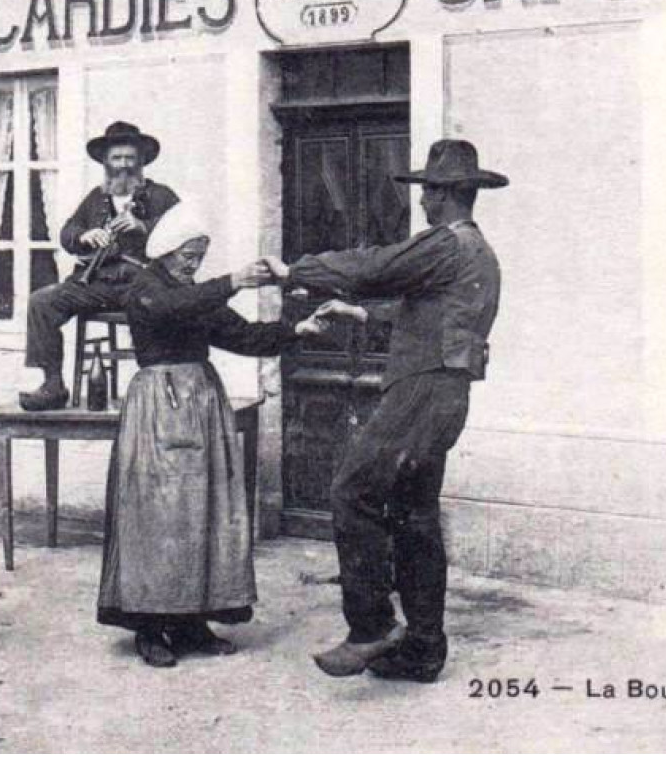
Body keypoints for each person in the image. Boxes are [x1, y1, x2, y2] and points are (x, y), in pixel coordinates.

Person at [265, 139, 507, 684]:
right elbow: (428, 312)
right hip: (446, 394)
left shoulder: (441, 244)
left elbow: (373, 266)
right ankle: (423, 650)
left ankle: (372, 628)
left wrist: (293, 271)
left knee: (353, 491)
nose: (422, 203)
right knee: (414, 514)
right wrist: (356, 312)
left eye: (427, 194)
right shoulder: (478, 252)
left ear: (443, 196)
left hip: (419, 391)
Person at [97, 209, 329, 667]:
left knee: (200, 511)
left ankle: (189, 621)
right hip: (159, 406)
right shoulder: (147, 286)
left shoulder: (191, 291)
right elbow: (169, 310)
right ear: (165, 251)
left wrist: (297, 330)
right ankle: (148, 626)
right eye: (187, 256)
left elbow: (242, 335)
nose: (192, 264)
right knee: (157, 517)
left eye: (199, 257)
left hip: (201, 401)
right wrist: (232, 281)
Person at [20, 120, 180, 410]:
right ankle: (53, 384)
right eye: (116, 158)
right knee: (42, 302)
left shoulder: (161, 196)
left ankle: (161, 394)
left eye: (130, 158)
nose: (123, 165)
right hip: (98, 285)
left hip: (143, 284)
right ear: (105, 162)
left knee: (167, 312)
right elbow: (67, 234)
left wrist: (143, 226)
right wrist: (85, 235)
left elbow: (186, 232)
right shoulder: (96, 198)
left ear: (141, 161)